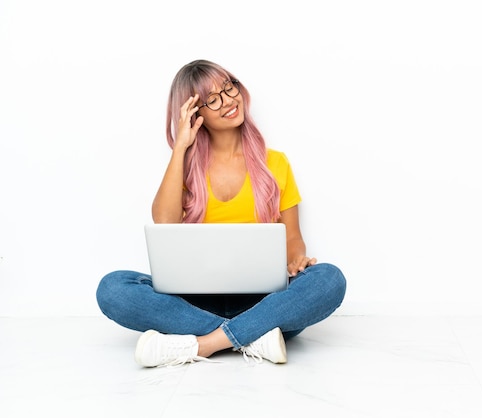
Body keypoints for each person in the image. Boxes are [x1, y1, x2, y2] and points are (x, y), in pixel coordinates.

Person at [96, 59, 346, 368]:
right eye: (213, 99)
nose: (229, 101)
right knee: (113, 288)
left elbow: (293, 239)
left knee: (329, 279)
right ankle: (254, 336)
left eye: (230, 88)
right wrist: (180, 149)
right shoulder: (184, 169)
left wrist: (297, 260)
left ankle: (204, 344)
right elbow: (164, 222)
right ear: (195, 113)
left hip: (263, 299)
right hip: (194, 301)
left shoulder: (276, 163)